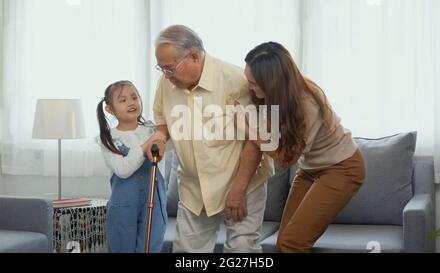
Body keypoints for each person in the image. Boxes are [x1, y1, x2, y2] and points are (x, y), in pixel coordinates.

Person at [149, 25, 274, 253]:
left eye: (169, 68)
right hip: (194, 186)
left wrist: (239, 189)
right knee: (187, 253)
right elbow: (162, 121)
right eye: (161, 68)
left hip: (241, 182)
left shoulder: (236, 80)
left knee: (241, 251)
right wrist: (159, 136)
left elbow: (255, 141)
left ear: (194, 57)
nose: (166, 75)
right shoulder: (166, 84)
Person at [242, 42, 366, 253]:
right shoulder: (276, 97)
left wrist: (247, 131)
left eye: (253, 83)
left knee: (293, 243)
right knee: (284, 243)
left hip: (342, 168)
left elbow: (285, 159)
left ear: (271, 82)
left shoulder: (306, 103)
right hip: (309, 169)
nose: (249, 87)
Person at [96, 80, 168, 253]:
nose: (131, 102)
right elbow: (123, 170)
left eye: (134, 97)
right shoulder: (109, 138)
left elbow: (170, 144)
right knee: (123, 247)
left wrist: (159, 136)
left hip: (155, 200)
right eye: (123, 100)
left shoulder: (153, 131)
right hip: (123, 204)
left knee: (150, 245)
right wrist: (144, 147)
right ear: (110, 109)